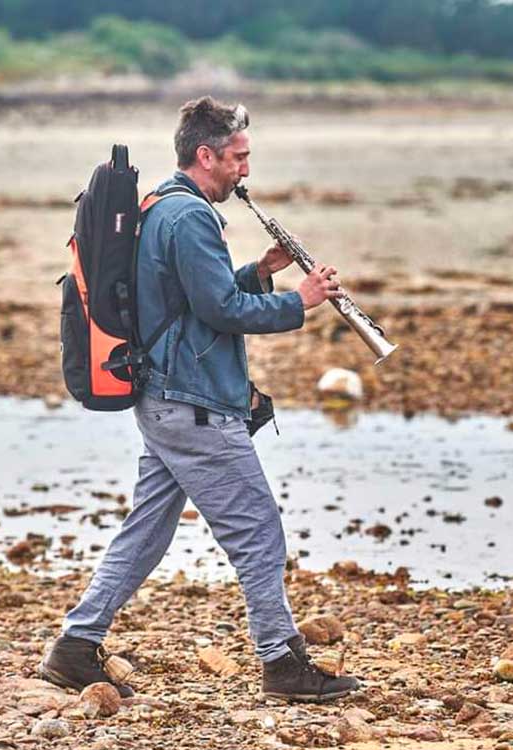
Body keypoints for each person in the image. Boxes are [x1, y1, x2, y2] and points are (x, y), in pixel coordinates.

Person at [39, 96, 360, 703]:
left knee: (147, 529)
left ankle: (76, 646)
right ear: (205, 154)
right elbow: (221, 312)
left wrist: (261, 272)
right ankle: (282, 663)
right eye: (239, 158)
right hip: (193, 406)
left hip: (166, 400)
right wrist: (303, 300)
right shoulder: (189, 218)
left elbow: (190, 303)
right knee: (259, 530)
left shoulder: (163, 205)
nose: (246, 171)